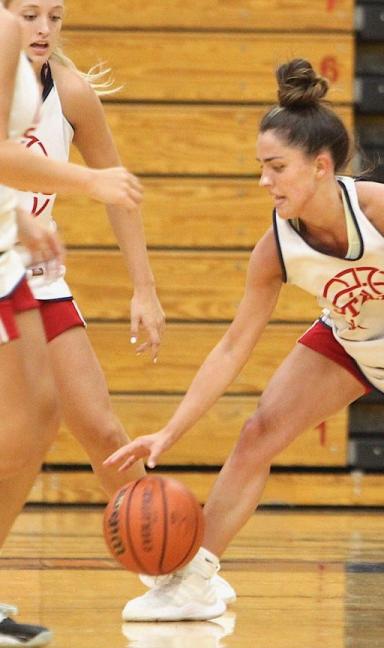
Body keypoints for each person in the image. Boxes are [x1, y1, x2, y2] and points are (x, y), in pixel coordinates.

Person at [104, 58, 384, 622]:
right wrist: (171, 430)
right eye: (261, 168)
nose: (265, 181)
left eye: (275, 167)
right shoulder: (276, 248)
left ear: (319, 167)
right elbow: (233, 347)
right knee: (258, 433)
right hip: (351, 341)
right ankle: (196, 575)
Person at [1, 5, 142, 644]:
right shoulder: (4, 59)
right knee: (28, 423)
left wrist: (145, 288)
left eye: (53, 14)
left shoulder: (65, 88)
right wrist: (85, 182)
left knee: (67, 423)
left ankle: (174, 569)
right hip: (10, 261)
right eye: (27, 12)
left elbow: (121, 192)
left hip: (26, 268)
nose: (41, 26)